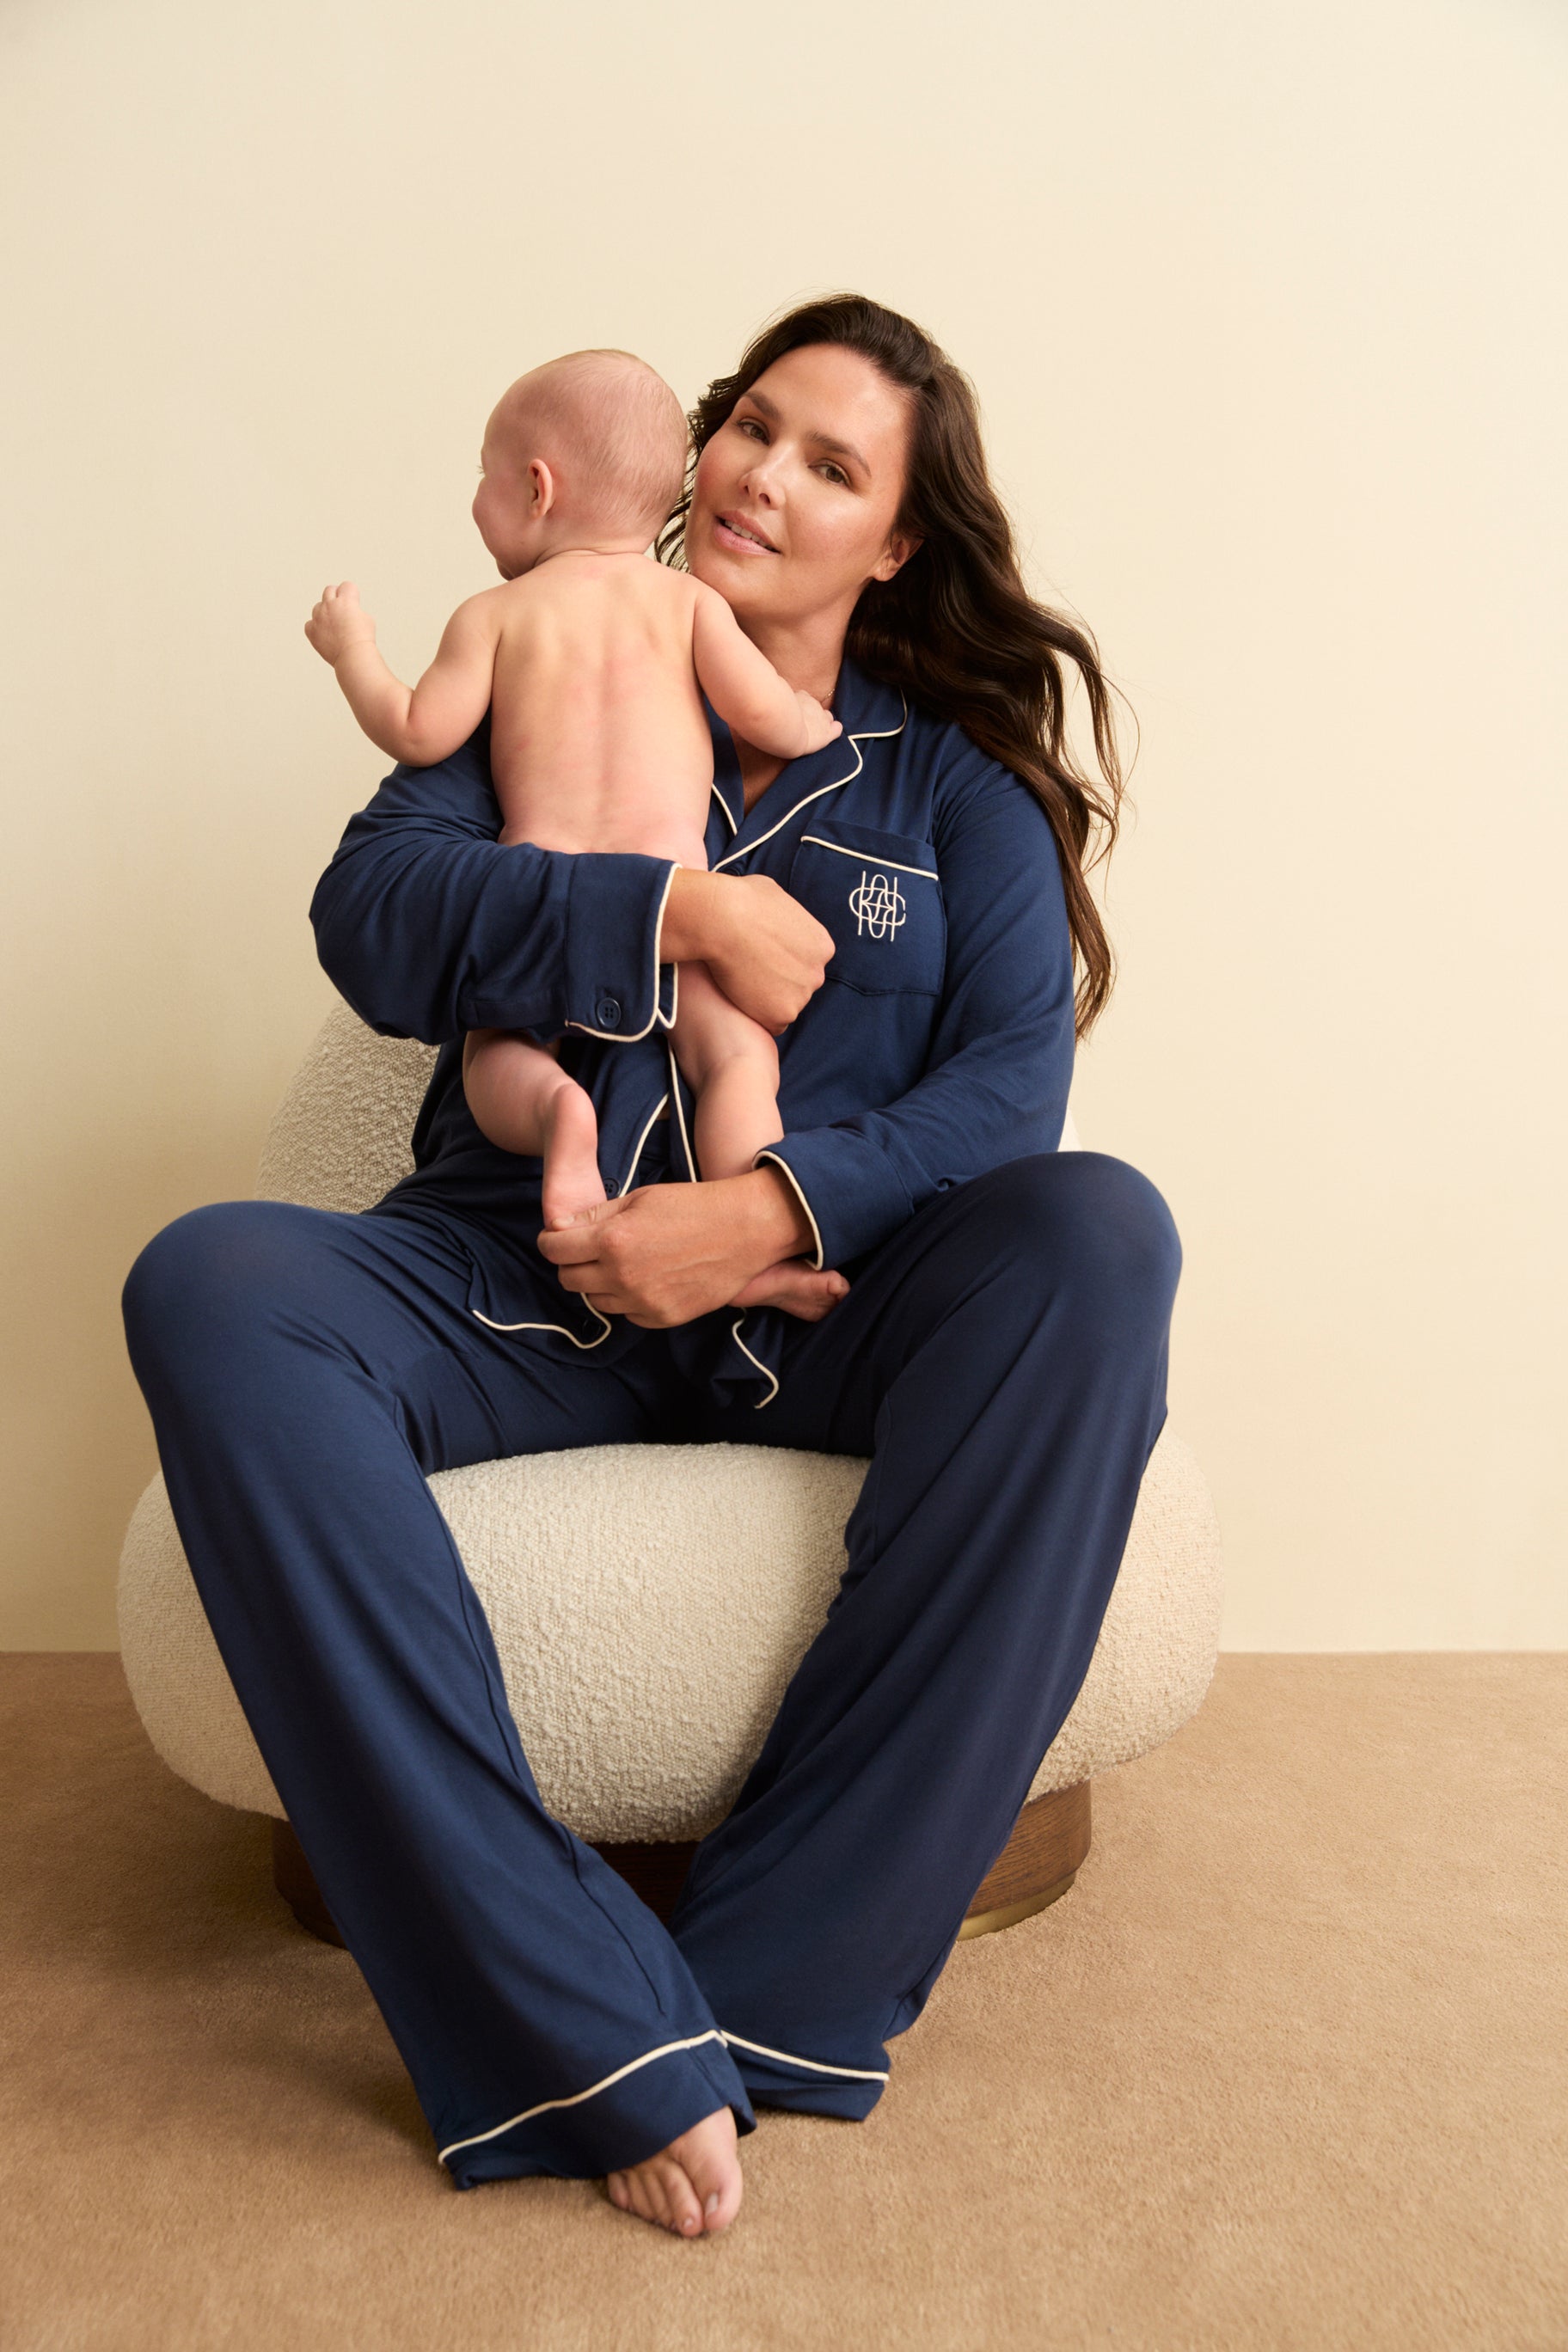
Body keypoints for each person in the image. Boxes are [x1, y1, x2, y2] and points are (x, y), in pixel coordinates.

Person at [123, 294, 1181, 2241]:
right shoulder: (546, 643)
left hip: (820, 1312)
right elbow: (374, 915)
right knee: (212, 1282)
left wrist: (770, 1206)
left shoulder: (953, 788)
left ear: (899, 540)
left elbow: (1006, 1091)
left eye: (833, 461)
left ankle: (773, 1992)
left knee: (1098, 1229)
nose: (768, 475)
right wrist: (661, 904)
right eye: (750, 425)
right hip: (518, 1272)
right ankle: (567, 2016)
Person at [303, 349, 842, 1276]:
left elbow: (418, 731)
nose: (477, 501)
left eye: (485, 477)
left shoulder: (493, 616)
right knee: (740, 1061)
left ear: (536, 487)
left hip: (551, 930)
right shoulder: (688, 604)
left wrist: (354, 652)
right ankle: (742, 1240)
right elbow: (760, 711)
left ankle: (562, 1114)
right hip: (678, 907)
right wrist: (812, 722)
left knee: (494, 1063)